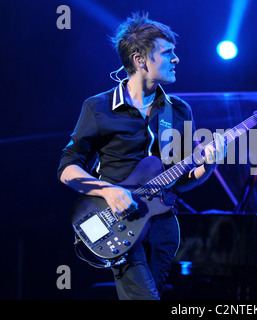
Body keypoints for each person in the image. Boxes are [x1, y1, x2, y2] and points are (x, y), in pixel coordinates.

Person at [57, 12, 226, 300]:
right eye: (168, 53)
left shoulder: (180, 110)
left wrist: (208, 166)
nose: (177, 59)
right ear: (140, 60)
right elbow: (67, 170)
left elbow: (181, 180)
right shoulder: (98, 107)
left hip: (163, 227)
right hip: (116, 222)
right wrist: (109, 191)